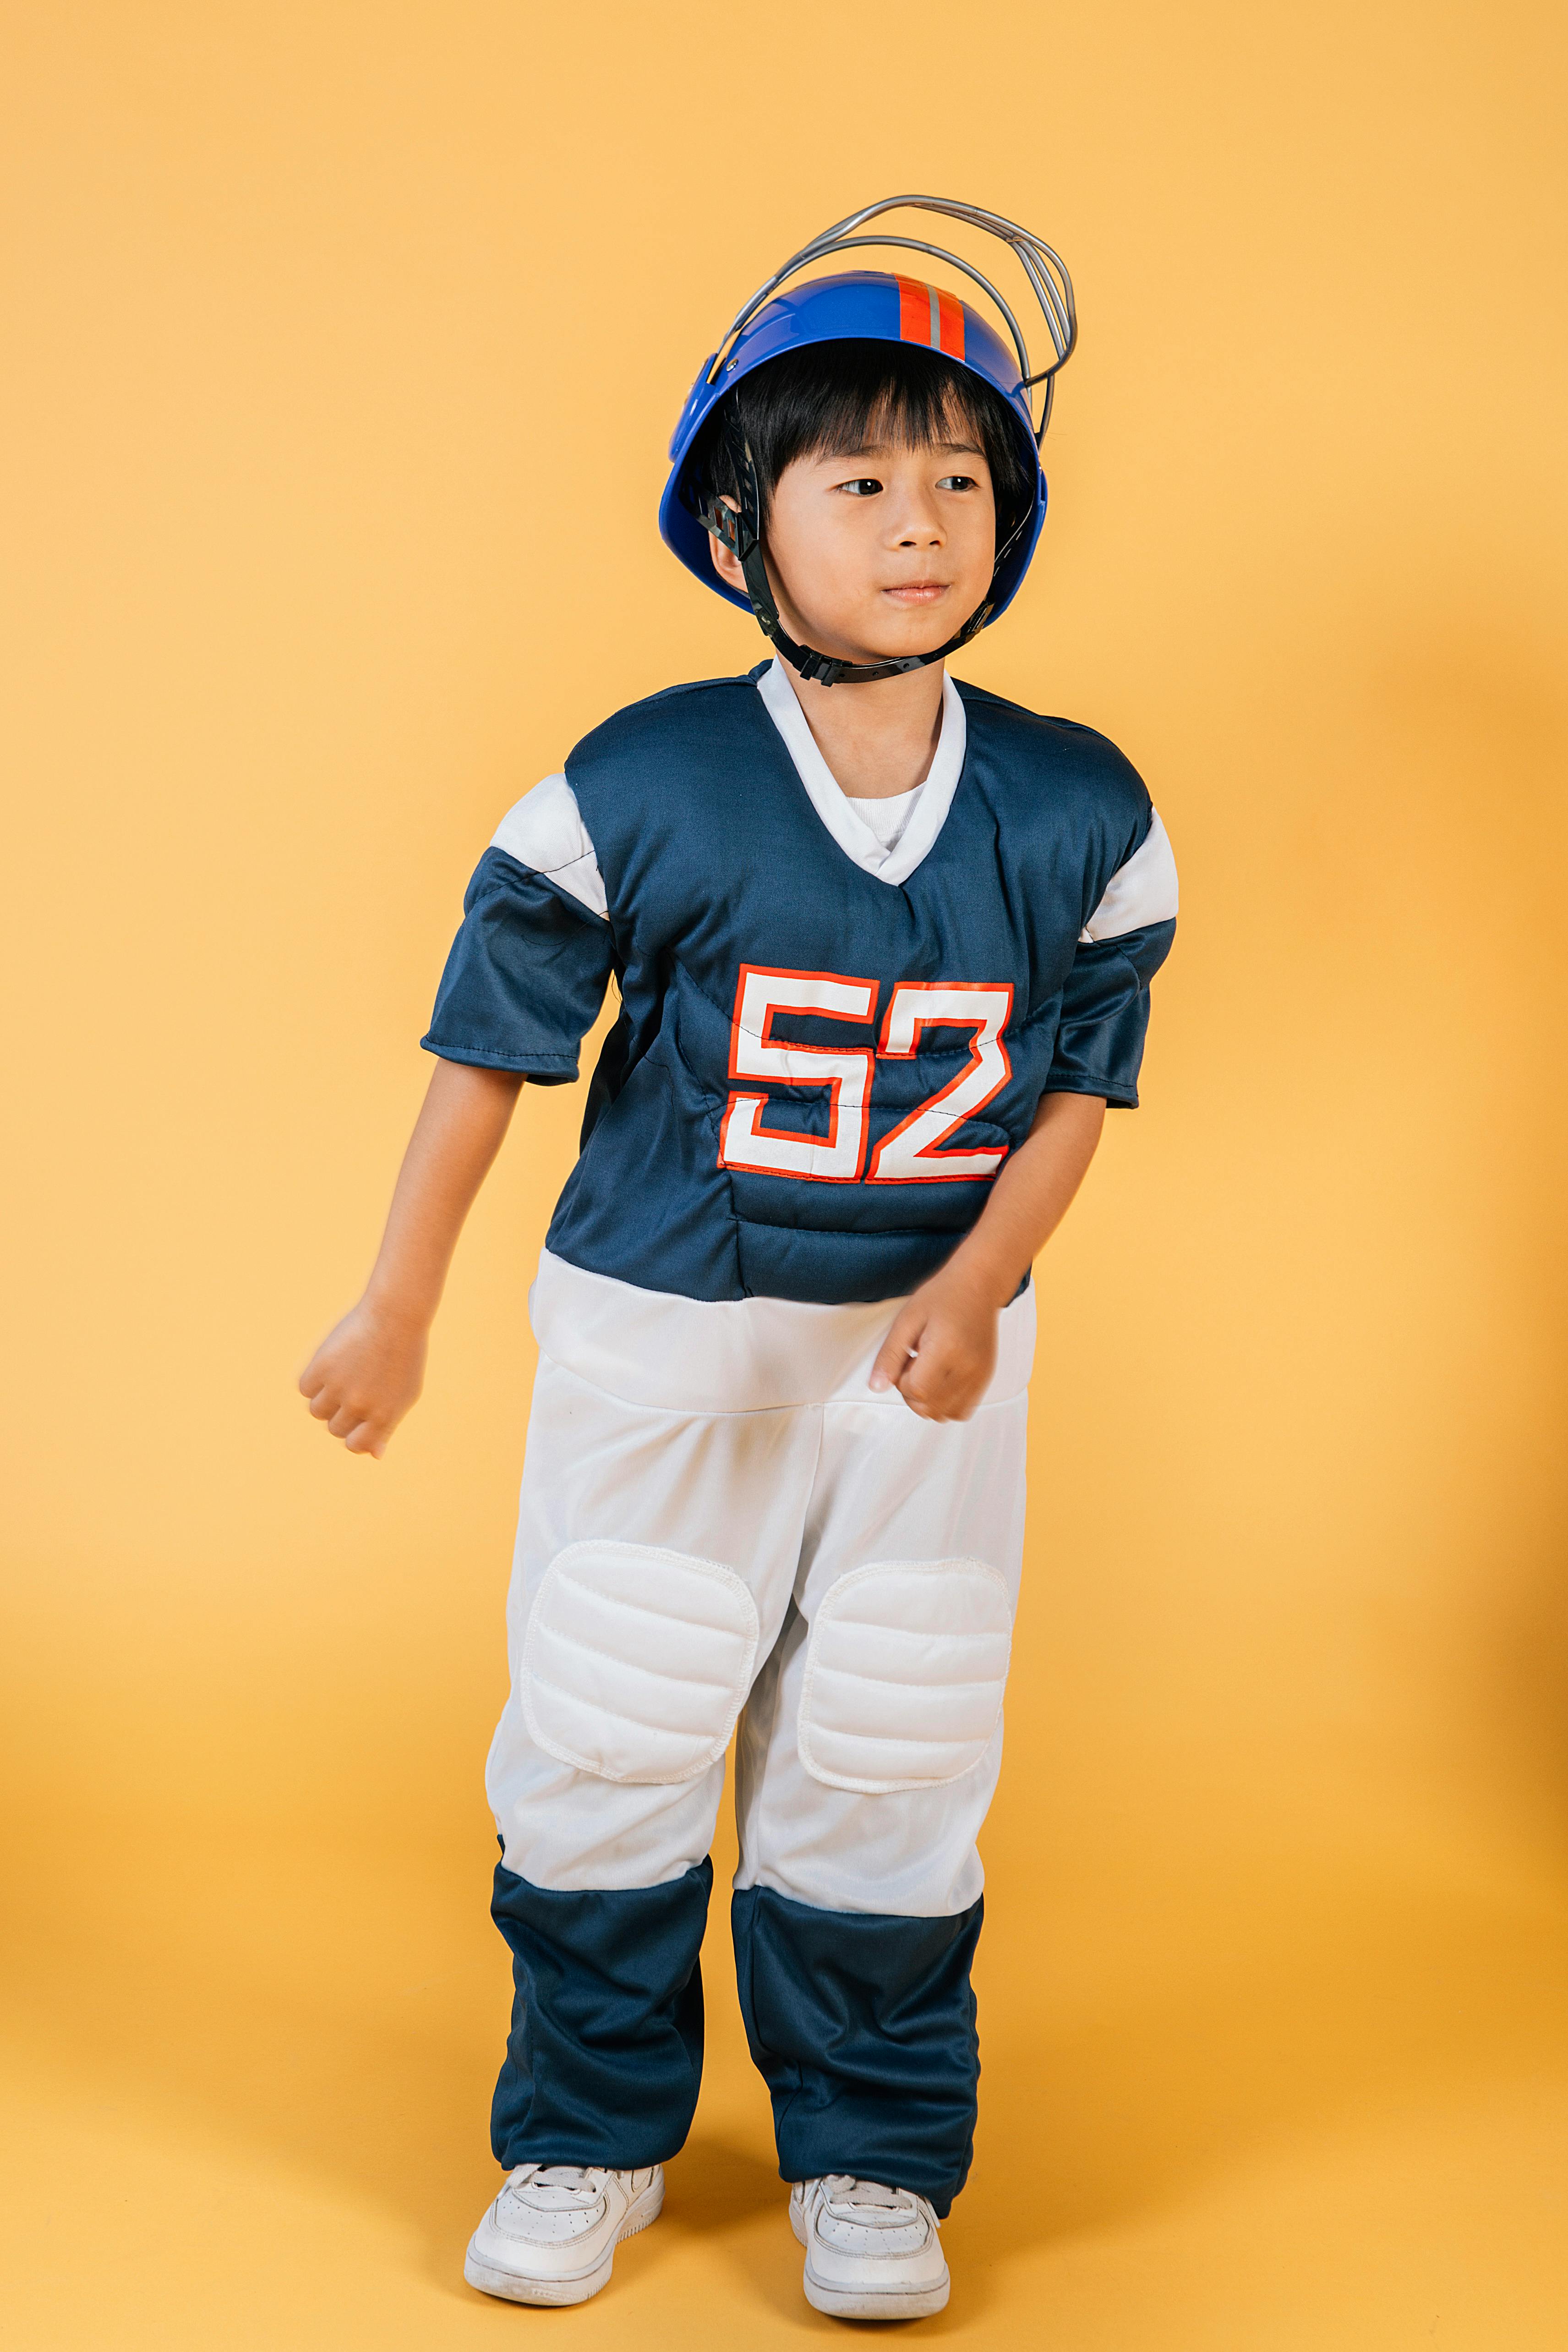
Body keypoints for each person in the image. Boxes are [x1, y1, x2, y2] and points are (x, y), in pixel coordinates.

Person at [299, 197, 1177, 2321]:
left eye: (960, 477)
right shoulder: (645, 781)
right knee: (614, 1724)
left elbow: (1074, 1081)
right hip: (671, 1350)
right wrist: (398, 1301)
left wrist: (974, 1288)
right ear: (738, 513)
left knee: (893, 1746)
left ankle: (870, 2159)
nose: (919, 522)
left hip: (926, 1373)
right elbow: (488, 1053)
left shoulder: (1074, 809)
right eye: (859, 477)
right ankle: (585, 2129)